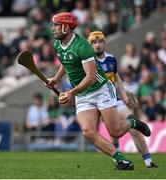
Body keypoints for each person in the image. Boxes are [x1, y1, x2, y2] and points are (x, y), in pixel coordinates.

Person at [46, 12, 151, 170]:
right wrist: (57, 78)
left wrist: (70, 93)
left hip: (100, 88)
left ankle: (132, 122)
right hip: (82, 94)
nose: (53, 29)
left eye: (56, 25)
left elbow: (91, 77)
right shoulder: (57, 45)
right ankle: (121, 160)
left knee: (115, 131)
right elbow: (65, 61)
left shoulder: (83, 46)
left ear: (66, 27)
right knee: (88, 131)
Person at [88, 31, 158, 168]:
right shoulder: (89, 62)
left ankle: (148, 162)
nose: (97, 45)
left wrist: (125, 97)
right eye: (94, 42)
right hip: (98, 102)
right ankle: (118, 160)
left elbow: (117, 79)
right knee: (114, 132)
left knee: (134, 127)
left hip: (115, 99)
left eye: (100, 42)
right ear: (90, 45)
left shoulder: (111, 59)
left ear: (104, 43)